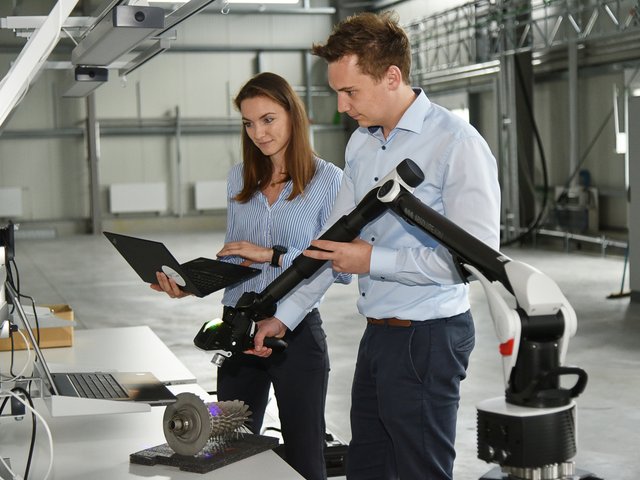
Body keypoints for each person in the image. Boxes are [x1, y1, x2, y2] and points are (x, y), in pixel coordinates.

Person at [249, 12, 501, 480]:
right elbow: (331, 244)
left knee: (419, 470)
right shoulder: (362, 147)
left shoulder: (455, 143)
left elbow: (475, 262)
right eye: (337, 93)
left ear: (392, 77)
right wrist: (282, 317)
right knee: (368, 467)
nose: (342, 106)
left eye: (350, 92)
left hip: (429, 337)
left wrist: (373, 260)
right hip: (379, 334)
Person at [152, 71, 349, 480]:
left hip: (293, 333)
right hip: (238, 328)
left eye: (268, 119)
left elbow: (335, 264)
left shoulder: (329, 181)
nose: (258, 132)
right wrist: (192, 285)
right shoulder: (239, 178)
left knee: (304, 457)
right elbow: (236, 259)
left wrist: (273, 255)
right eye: (248, 122)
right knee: (230, 451)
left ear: (293, 116)